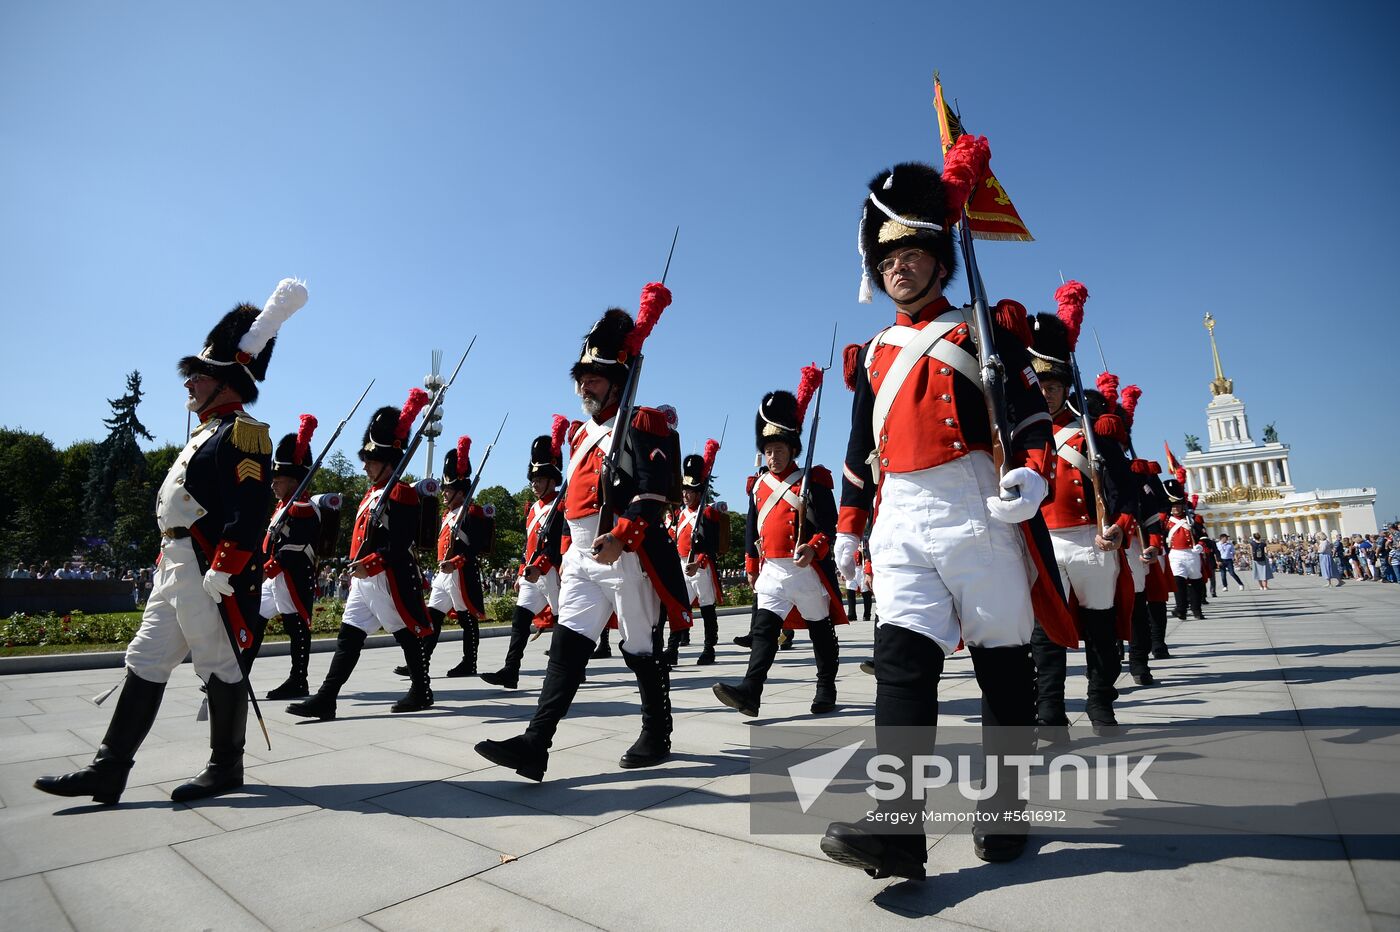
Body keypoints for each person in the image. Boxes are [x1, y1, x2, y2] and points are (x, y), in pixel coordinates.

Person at [819, 146, 1072, 879]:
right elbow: (858, 451)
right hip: (899, 513)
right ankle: (898, 829)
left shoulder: (982, 331)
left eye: (912, 250)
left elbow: (1027, 416)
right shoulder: (872, 355)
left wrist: (1031, 470)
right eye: (885, 254)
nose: (897, 265)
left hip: (976, 507)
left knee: (1001, 667)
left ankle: (1005, 808)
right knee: (901, 663)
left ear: (939, 255)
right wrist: (846, 524)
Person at [35, 278, 305, 806]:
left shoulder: (243, 433)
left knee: (219, 662)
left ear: (225, 381)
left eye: (198, 377)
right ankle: (108, 769)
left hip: (209, 568)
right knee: (145, 657)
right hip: (176, 564)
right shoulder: (205, 433)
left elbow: (250, 511)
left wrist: (225, 567)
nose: (189, 386)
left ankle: (226, 767)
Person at [475, 288, 691, 781]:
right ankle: (536, 742)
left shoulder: (642, 422)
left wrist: (622, 534)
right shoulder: (578, 436)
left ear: (617, 381)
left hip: (626, 556)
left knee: (641, 649)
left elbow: (654, 493)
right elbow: (568, 505)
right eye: (582, 378)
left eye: (595, 377)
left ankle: (657, 730)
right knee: (568, 644)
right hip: (580, 556)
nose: (586, 386)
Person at [287, 389, 438, 720]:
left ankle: (421, 690)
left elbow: (399, 542)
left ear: (388, 460)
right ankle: (327, 698)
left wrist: (370, 564)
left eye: (371, 460)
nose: (366, 466)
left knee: (405, 636)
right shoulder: (373, 494)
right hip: (364, 579)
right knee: (348, 637)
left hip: (386, 576)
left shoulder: (402, 493)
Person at [1025, 306, 1137, 737]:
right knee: (1045, 631)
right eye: (1040, 385)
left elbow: (1124, 494)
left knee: (1100, 629)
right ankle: (1049, 708)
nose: (1046, 393)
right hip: (1045, 542)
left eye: (1053, 385)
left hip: (1092, 541)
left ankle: (1099, 701)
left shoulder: (1091, 436)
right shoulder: (1023, 436)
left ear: (1064, 388)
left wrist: (1120, 525)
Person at [712, 372, 845, 717]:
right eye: (768, 451)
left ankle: (826, 685)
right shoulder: (757, 486)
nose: (773, 457)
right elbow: (751, 530)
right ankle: (750, 692)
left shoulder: (813, 480)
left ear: (792, 449)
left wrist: (814, 546)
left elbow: (829, 525)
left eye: (779, 449)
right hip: (771, 568)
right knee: (763, 631)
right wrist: (752, 566)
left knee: (819, 630)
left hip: (806, 570)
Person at [482, 421, 567, 690]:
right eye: (532, 480)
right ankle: (511, 669)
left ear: (552, 480)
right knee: (520, 619)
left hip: (553, 572)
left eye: (539, 479)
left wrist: (539, 566)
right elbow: (527, 545)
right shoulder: (532, 510)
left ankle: (573, 667)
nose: (534, 484)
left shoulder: (561, 505)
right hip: (533, 574)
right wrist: (523, 569)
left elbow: (556, 546)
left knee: (566, 622)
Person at [254, 415, 334, 699]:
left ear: (295, 480)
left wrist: (269, 567)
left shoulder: (303, 507)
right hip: (275, 577)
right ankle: (238, 671)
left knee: (295, 626)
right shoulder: (284, 506)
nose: (273, 484)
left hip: (291, 576)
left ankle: (298, 679)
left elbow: (295, 547)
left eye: (279, 479)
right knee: (254, 619)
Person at [410, 435, 493, 679]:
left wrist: (455, 563)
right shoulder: (449, 515)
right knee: (431, 617)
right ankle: (421, 661)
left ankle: (470, 662)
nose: (444, 494)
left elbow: (474, 548)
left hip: (460, 573)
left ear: (460, 491)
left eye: (448, 490)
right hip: (443, 574)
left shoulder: (471, 513)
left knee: (467, 620)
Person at [666, 439, 725, 667]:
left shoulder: (708, 513)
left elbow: (711, 546)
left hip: (701, 565)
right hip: (681, 564)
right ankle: (672, 649)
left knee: (707, 607)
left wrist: (698, 562)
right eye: (684, 490)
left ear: (698, 492)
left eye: (689, 491)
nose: (685, 495)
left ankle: (709, 648)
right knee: (678, 607)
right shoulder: (680, 514)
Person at [1164, 487, 1206, 619]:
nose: (1174, 509)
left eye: (1177, 506)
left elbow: (1203, 536)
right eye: (1172, 506)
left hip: (1191, 554)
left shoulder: (1194, 519)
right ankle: (1181, 609)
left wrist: (1200, 545)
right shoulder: (1166, 521)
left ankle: (1196, 610)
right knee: (1178, 582)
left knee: (1196, 583)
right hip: (1175, 554)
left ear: (1182, 506)